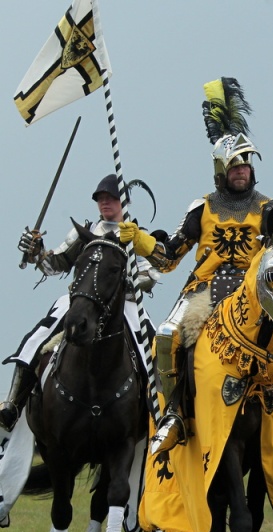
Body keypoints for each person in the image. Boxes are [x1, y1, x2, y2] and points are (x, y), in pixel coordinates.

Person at [121, 77, 273, 454]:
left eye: (246, 164)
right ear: (221, 170)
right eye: (234, 165)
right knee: (167, 335)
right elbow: (169, 257)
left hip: (256, 292)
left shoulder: (270, 208)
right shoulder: (201, 208)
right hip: (205, 289)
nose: (241, 170)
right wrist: (139, 239)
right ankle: (174, 415)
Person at [1, 175, 159, 431]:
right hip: (82, 298)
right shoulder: (85, 232)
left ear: (123, 202)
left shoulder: (135, 234)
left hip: (123, 303)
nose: (105, 202)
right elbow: (56, 264)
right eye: (101, 198)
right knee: (37, 337)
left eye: (111, 198)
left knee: (153, 345)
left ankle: (161, 409)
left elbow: (150, 274)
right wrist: (37, 252)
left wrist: (124, 287)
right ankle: (13, 404)